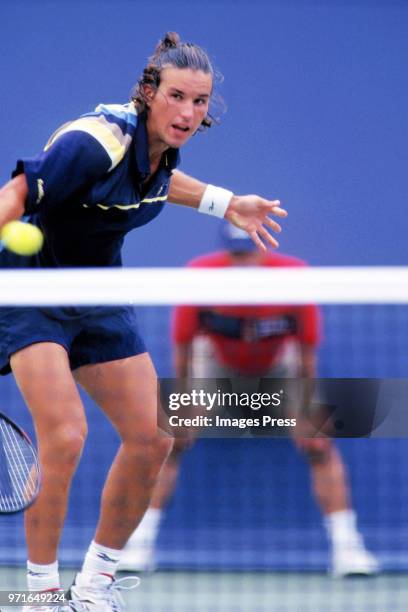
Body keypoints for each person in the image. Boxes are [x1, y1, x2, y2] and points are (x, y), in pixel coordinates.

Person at [0, 33, 287, 612]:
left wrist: (226, 201)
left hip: (97, 293)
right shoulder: (94, 140)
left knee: (154, 435)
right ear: (149, 92)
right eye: (177, 96)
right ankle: (41, 596)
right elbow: (15, 194)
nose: (188, 112)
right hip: (28, 291)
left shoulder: (159, 152)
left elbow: (155, 183)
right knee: (65, 436)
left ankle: (94, 587)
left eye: (200, 101)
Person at [118, 224, 379, 578]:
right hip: (213, 359)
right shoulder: (201, 275)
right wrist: (182, 405)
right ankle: (139, 545)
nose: (244, 262)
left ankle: (348, 550)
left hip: (279, 362)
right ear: (228, 251)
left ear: (264, 250)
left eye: (250, 252)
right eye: (237, 253)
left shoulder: (293, 277)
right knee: (169, 441)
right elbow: (183, 348)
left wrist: (305, 410)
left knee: (319, 443)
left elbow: (306, 352)